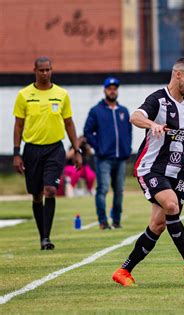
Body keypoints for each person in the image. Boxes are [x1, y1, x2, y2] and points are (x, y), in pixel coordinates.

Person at [112, 57, 184, 286]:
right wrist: (152, 125)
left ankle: (124, 271)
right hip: (151, 168)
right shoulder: (158, 100)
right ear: (178, 75)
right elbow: (135, 116)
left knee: (158, 224)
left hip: (177, 169)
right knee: (171, 206)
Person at [12, 56, 83, 250]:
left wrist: (76, 150)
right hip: (32, 149)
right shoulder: (24, 95)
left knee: (50, 189)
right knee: (36, 195)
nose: (45, 73)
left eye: (48, 70)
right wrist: (17, 153)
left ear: (52, 70)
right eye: (41, 70)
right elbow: (18, 125)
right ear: (35, 70)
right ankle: (41, 235)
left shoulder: (61, 94)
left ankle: (46, 237)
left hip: (55, 149)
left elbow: (69, 123)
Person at [84, 77, 132, 229]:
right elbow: (87, 132)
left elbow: (128, 132)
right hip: (104, 158)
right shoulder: (96, 111)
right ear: (105, 90)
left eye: (114, 88)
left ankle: (116, 221)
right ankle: (103, 221)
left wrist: (127, 148)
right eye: (109, 88)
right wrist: (99, 148)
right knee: (103, 189)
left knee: (119, 191)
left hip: (121, 158)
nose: (112, 91)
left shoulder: (123, 111)